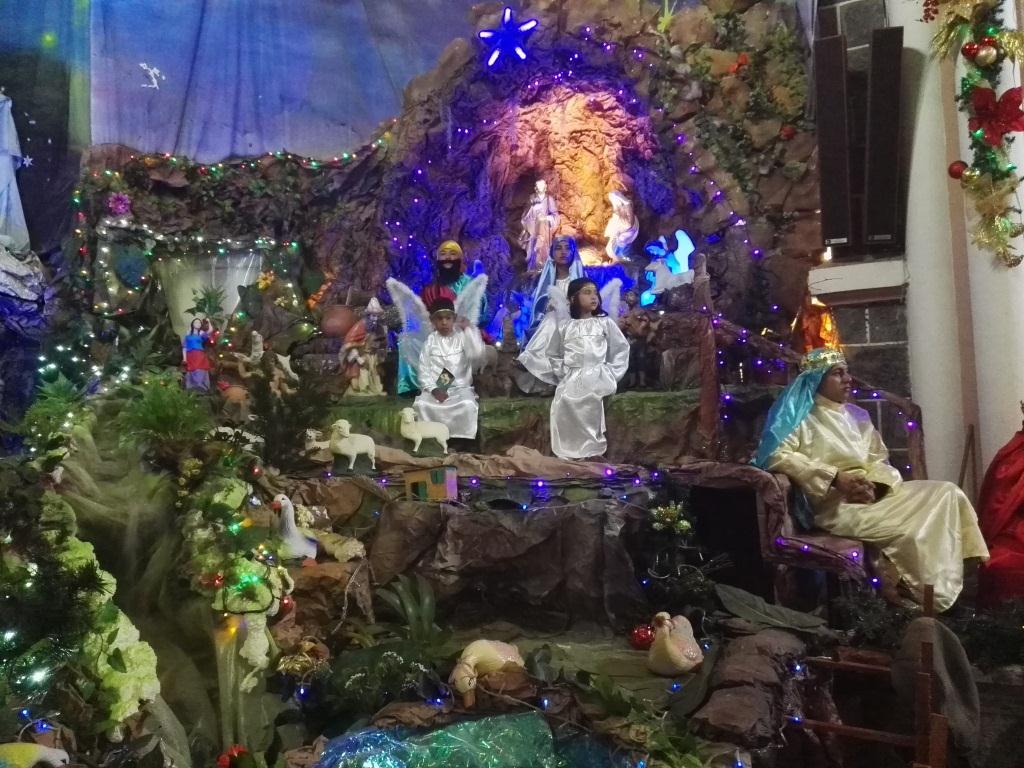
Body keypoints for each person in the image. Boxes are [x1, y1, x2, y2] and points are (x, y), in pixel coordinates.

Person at [754, 347, 989, 612]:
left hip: (873, 494)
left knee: (948, 492)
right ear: (816, 379)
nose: (847, 379)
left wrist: (875, 488)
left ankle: (965, 576)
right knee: (909, 530)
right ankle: (920, 595)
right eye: (837, 373)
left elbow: (878, 459)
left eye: (847, 372)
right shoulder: (798, 418)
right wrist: (835, 478)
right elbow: (775, 456)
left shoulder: (858, 416)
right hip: (836, 504)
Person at [519, 277, 630, 460]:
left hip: (598, 374)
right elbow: (552, 352)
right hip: (573, 376)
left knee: (591, 397)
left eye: (595, 293)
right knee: (565, 400)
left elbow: (620, 349)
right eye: (587, 292)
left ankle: (592, 447)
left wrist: (611, 372)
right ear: (573, 299)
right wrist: (563, 371)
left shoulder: (604, 323)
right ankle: (570, 448)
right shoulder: (565, 326)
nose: (593, 297)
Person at [397, 240, 486, 395]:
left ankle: (442, 388)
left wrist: (463, 325)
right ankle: (412, 387)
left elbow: (481, 313)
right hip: (435, 332)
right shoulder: (431, 289)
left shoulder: (469, 284)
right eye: (443, 254)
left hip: (461, 333)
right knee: (407, 339)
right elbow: (423, 316)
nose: (448, 258)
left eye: (453, 254)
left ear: (460, 259)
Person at [413, 294, 485, 440]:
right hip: (435, 390)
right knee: (421, 404)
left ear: (454, 319)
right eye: (440, 319)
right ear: (433, 321)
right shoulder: (430, 342)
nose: (444, 322)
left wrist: (468, 330)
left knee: (467, 404)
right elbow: (423, 370)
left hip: (460, 389)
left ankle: (460, 440)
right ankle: (432, 439)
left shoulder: (462, 337)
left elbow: (477, 353)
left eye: (448, 318)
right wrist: (434, 389)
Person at [527, 235, 586, 337]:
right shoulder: (541, 281)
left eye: (567, 248)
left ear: (573, 252)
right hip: (548, 328)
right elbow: (537, 308)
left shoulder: (583, 280)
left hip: (575, 327)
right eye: (558, 248)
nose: (563, 252)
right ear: (552, 253)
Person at [520, 179, 559, 270]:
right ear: (536, 187)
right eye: (538, 186)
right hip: (533, 227)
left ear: (545, 187)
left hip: (544, 228)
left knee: (543, 247)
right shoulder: (531, 198)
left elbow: (555, 215)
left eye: (542, 186)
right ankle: (532, 266)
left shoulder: (549, 199)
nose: (540, 188)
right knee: (532, 246)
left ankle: (543, 266)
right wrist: (532, 208)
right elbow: (525, 216)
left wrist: (547, 218)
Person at [182, 317, 215, 392]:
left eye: (199, 323)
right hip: (190, 354)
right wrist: (184, 358)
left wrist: (209, 322)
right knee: (191, 369)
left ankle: (201, 387)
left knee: (200, 369)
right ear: (192, 324)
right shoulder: (188, 333)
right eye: (196, 322)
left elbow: (210, 330)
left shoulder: (201, 333)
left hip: (199, 354)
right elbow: (184, 347)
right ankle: (191, 387)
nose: (198, 324)